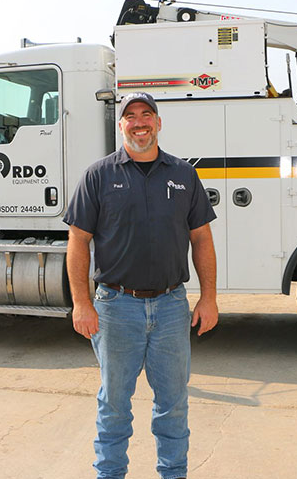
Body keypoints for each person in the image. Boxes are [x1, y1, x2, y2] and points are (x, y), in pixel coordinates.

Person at [64, 91, 218, 479]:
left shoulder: (183, 175)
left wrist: (209, 299)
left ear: (158, 123)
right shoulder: (98, 176)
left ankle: (173, 474)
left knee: (174, 404)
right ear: (121, 126)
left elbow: (202, 239)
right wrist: (82, 303)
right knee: (114, 405)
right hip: (117, 308)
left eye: (146, 114)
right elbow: (78, 241)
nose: (139, 122)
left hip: (171, 308)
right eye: (130, 116)